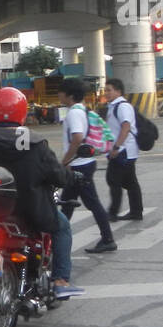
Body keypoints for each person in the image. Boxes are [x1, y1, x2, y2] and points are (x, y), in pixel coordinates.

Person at [0, 87, 82, 298]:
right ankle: (60, 280)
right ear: (22, 112)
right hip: (31, 211)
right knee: (63, 226)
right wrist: (72, 177)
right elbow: (56, 174)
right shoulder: (35, 141)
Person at [58, 78, 116, 253]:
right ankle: (57, 240)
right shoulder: (80, 110)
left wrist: (65, 161)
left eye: (61, 91)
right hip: (82, 164)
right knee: (67, 204)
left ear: (69, 95)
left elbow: (77, 138)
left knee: (91, 203)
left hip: (78, 166)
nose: (58, 94)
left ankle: (108, 239)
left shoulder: (74, 113)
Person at [103, 78, 143, 222]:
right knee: (130, 182)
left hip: (124, 150)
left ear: (118, 91)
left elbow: (125, 127)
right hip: (123, 149)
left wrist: (116, 147)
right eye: (105, 90)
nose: (106, 93)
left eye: (109, 90)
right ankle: (136, 212)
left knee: (114, 180)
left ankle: (113, 212)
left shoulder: (122, 106)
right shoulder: (113, 106)